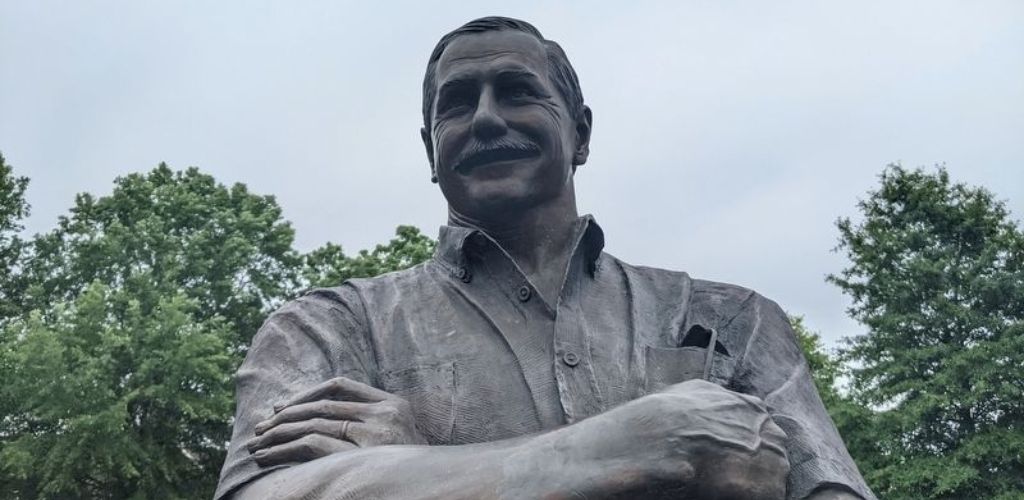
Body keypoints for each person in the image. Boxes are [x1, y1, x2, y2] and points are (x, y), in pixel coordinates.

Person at [215, 16, 875, 500]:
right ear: (430, 150)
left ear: (580, 132)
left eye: (516, 90)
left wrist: (410, 472)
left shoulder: (731, 319)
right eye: (457, 103)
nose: (485, 119)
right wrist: (649, 444)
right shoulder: (328, 329)